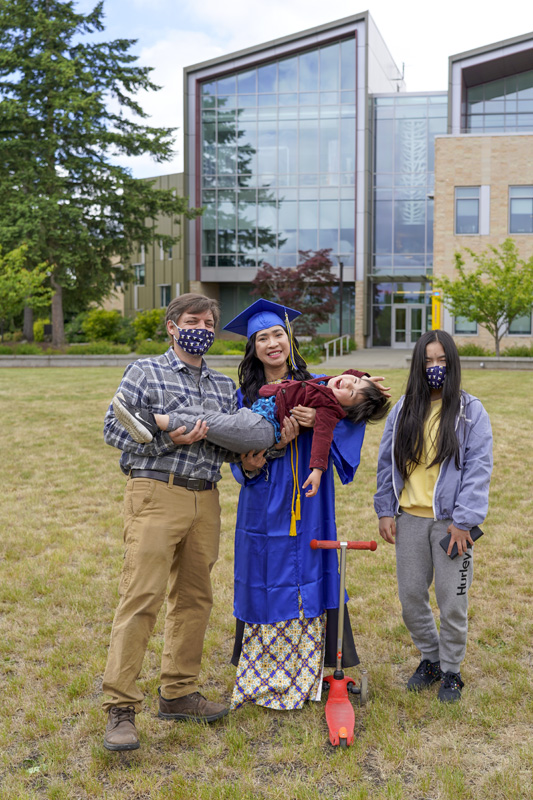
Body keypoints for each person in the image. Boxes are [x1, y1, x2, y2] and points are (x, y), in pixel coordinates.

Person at [213, 299, 389, 711]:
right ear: (253, 348)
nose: (272, 344)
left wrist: (362, 389)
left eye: (278, 334)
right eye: (262, 338)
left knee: (310, 571)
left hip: (311, 502)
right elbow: (236, 461)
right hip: (264, 499)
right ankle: (265, 672)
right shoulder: (245, 397)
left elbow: (352, 403)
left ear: (289, 339)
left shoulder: (320, 384)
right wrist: (251, 464)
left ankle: (312, 671)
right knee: (265, 572)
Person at [101, 293, 247, 752]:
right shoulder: (146, 371)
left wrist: (256, 451)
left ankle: (179, 692)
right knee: (140, 596)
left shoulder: (225, 387)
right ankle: (121, 706)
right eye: (191, 320)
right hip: (156, 491)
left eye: (208, 321)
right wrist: (167, 436)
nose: (200, 326)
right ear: (172, 326)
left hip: (207, 499)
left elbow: (228, 444)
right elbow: (113, 428)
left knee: (195, 599)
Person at [374, 330, 493, 703]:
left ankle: (452, 671)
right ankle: (430, 659)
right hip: (409, 518)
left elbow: (478, 469)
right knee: (411, 596)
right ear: (418, 364)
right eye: (428, 360)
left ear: (453, 362)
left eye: (442, 360)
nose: (435, 367)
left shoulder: (470, 411)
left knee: (451, 600)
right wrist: (385, 509)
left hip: (452, 525)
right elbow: (386, 463)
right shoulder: (404, 407)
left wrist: (464, 520)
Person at [111, 367, 390, 498]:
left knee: (207, 420)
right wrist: (362, 378)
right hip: (252, 421)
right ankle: (151, 421)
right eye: (263, 338)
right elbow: (345, 377)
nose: (346, 384)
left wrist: (316, 470)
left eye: (351, 392)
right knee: (204, 417)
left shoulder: (327, 403)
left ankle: (154, 421)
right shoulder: (325, 384)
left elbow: (323, 441)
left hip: (262, 430)